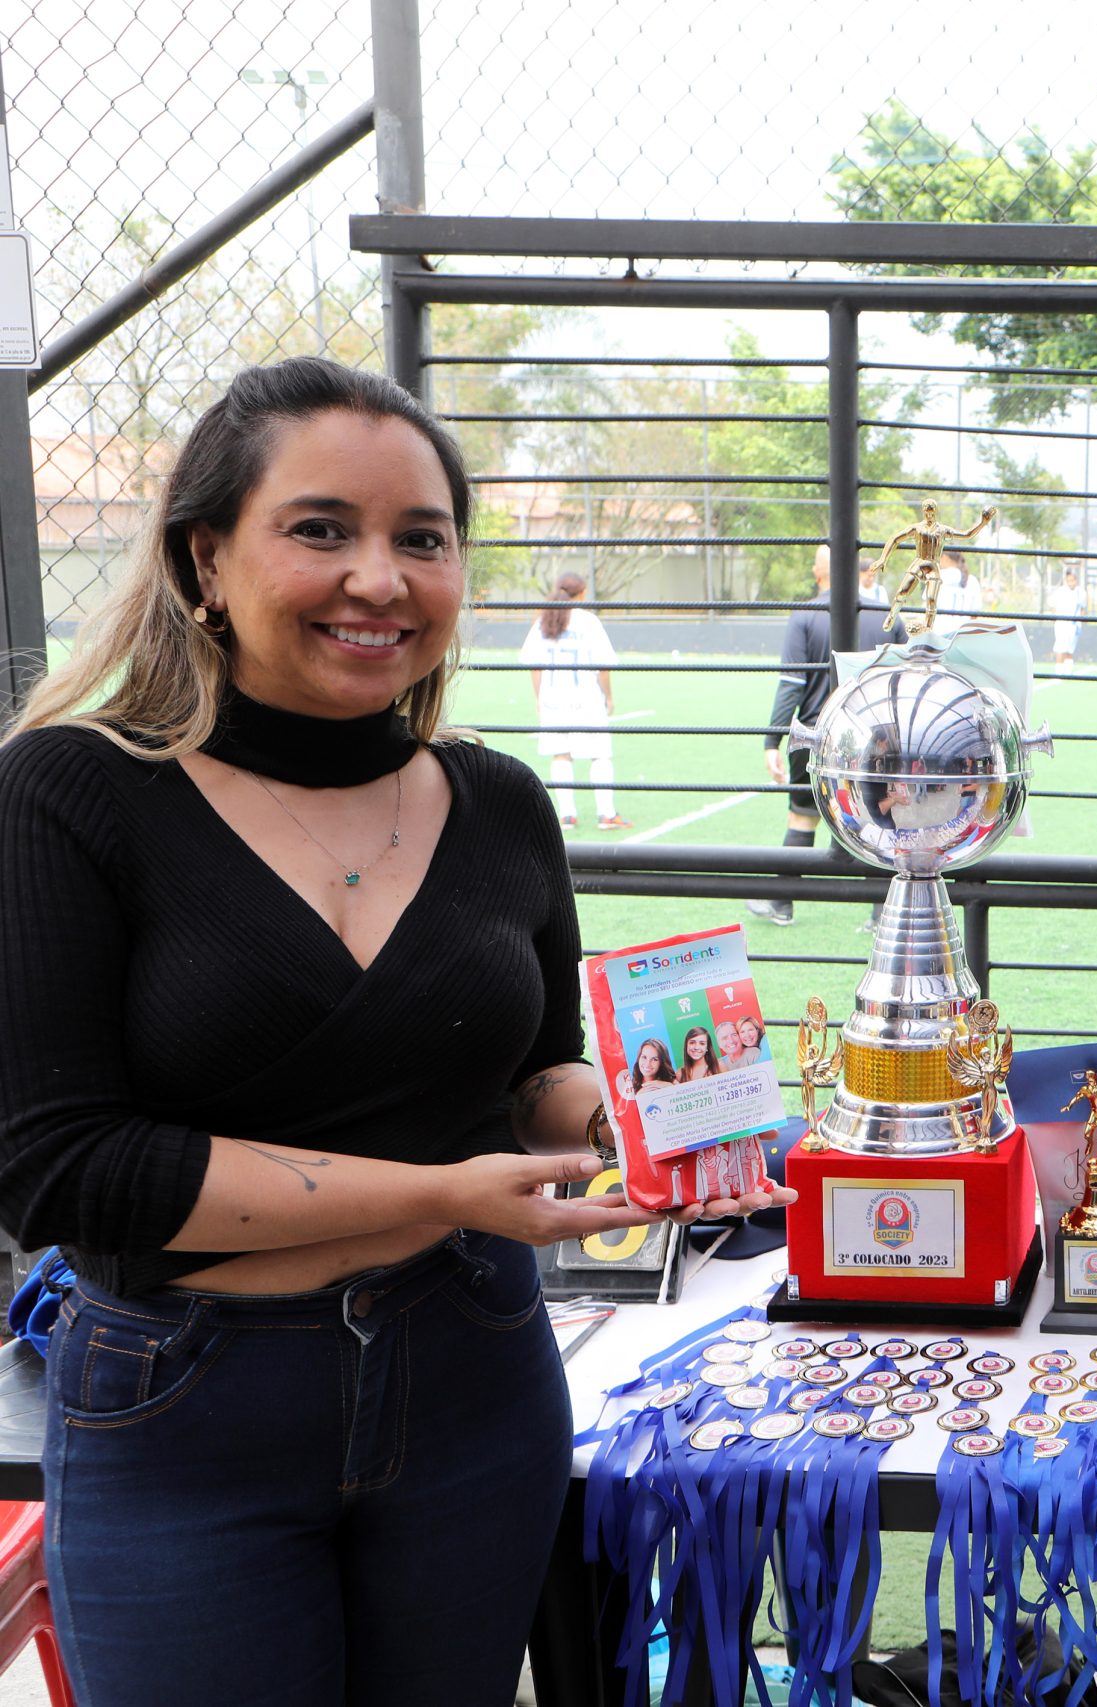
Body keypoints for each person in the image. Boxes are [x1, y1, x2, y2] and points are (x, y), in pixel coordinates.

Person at [0, 357, 789, 1707]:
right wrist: (446, 1189)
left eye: (422, 539)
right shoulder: (73, 790)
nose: (382, 576)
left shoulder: (497, 800)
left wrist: (633, 1115)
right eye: (322, 529)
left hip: (472, 1367)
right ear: (205, 557)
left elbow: (527, 1066)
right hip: (187, 1398)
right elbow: (60, 1166)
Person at [748, 544, 897, 927]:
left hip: (815, 735)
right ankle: (882, 914)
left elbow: (791, 685)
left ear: (818, 574)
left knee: (802, 818)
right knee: (878, 821)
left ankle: (781, 904)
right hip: (873, 739)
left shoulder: (804, 616)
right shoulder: (885, 617)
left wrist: (771, 740)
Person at [517, 569, 627, 830]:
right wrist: (608, 697)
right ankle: (607, 815)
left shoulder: (544, 620)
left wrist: (539, 698)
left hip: (553, 700)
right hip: (586, 699)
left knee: (561, 755)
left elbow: (534, 666)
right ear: (582, 593)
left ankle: (567, 816)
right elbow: (603, 666)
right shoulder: (588, 621)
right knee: (600, 755)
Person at [1046, 569, 1084, 670]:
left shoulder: (1081, 592)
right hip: (1062, 624)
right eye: (1069, 580)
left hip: (1075, 625)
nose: (1071, 583)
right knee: (1060, 647)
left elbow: (1083, 608)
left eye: (1073, 580)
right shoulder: (1060, 591)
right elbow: (1051, 603)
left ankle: (1068, 672)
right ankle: (1058, 672)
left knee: (1070, 649)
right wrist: (1055, 617)